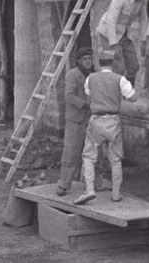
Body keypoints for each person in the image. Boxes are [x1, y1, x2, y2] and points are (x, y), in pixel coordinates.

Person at [74, 51, 137, 205]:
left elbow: (88, 94)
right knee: (115, 159)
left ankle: (89, 190)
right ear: (113, 62)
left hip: (96, 120)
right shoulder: (119, 79)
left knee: (88, 157)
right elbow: (133, 97)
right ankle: (116, 194)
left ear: (98, 62)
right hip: (113, 121)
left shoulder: (91, 78)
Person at [96, 0, 149, 84]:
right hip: (108, 34)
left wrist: (143, 40)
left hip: (125, 34)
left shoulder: (142, 0)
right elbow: (111, 20)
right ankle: (115, 94)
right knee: (118, 67)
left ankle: (128, 92)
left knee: (134, 66)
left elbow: (144, 20)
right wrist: (113, 43)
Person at [56, 48, 93, 196]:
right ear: (79, 61)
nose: (88, 62)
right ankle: (64, 184)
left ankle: (95, 182)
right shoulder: (73, 75)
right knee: (71, 152)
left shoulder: (93, 76)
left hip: (90, 119)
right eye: (85, 59)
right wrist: (84, 104)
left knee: (93, 152)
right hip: (75, 119)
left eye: (90, 58)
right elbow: (69, 96)